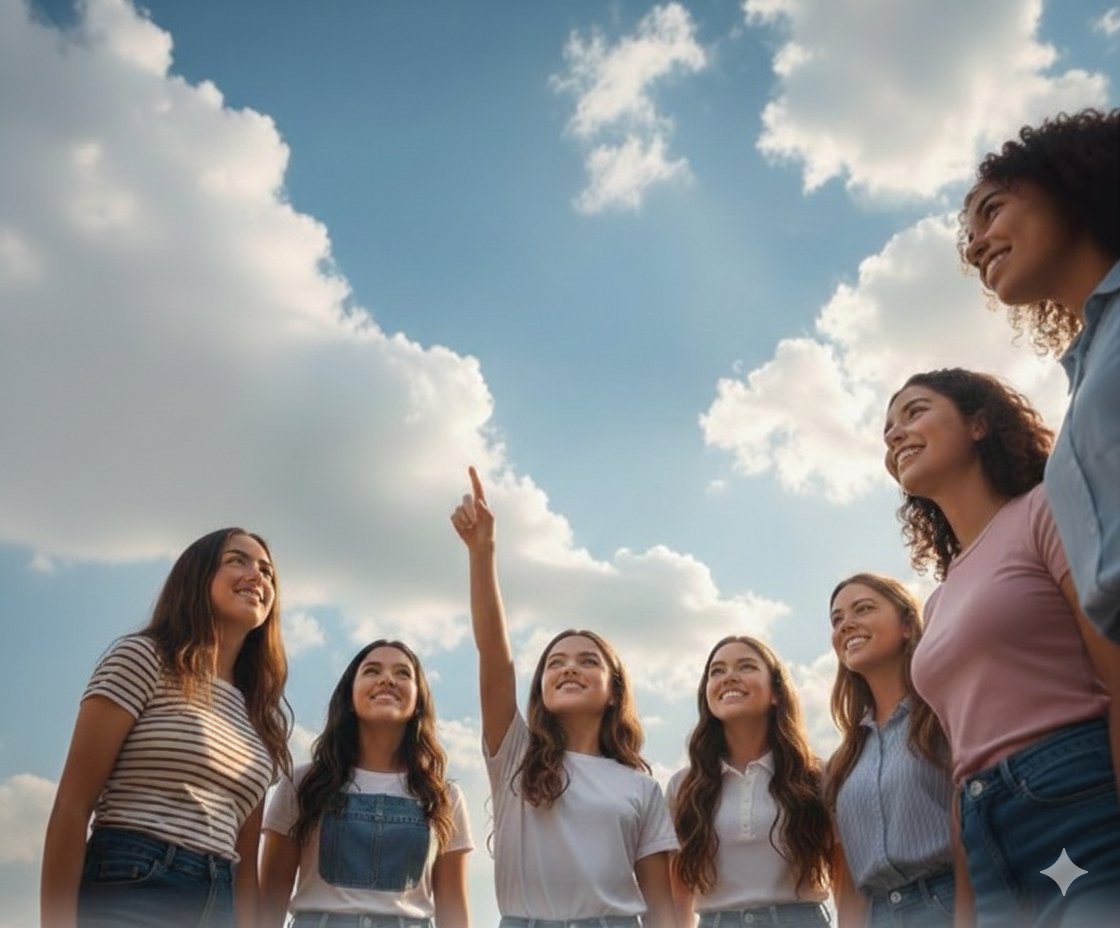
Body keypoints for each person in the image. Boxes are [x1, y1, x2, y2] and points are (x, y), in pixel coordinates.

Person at [883, 367, 1120, 927]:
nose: (894, 434)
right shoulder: (937, 602)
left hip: (1073, 801)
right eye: (887, 430)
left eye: (915, 411)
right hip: (981, 831)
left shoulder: (1045, 510)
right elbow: (961, 757)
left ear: (979, 424)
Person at [450, 466, 678, 928]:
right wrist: (482, 552)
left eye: (588, 661)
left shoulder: (641, 787)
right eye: (555, 662)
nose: (569, 667)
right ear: (540, 687)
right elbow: (494, 654)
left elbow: (661, 908)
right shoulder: (514, 756)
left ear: (614, 692)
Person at [40, 528, 292, 928]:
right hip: (135, 879)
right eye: (237, 560)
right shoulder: (145, 659)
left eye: (267, 571)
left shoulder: (258, 713)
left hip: (220, 900)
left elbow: (245, 865)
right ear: (198, 575)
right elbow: (71, 806)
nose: (256, 576)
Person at [960, 108, 1120, 641]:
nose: (975, 245)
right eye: (970, 236)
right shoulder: (1087, 369)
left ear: (1067, 185)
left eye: (992, 210)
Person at [259, 639, 472, 928]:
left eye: (403, 673)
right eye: (372, 671)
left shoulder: (444, 796)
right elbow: (269, 902)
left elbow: (454, 911)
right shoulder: (302, 783)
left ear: (419, 701)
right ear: (349, 697)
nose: (387, 679)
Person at [667, 636, 831, 928]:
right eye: (717, 671)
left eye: (746, 666)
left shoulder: (817, 777)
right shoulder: (683, 786)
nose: (729, 677)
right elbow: (678, 896)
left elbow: (844, 878)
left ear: (776, 692)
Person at [825, 574, 954, 928]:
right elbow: (848, 883)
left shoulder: (944, 717)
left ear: (907, 627)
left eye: (863, 609)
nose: (846, 624)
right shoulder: (843, 762)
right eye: (837, 619)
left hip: (950, 905)